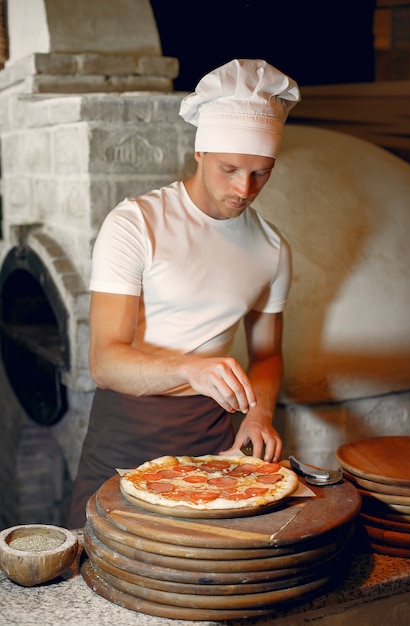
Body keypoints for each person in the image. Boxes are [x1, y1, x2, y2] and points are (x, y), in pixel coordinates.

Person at [67, 59, 300, 528]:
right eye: (229, 168)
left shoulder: (272, 249)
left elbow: (268, 355)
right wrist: (190, 368)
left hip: (214, 440)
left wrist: (258, 414)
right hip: (125, 430)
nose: (243, 189)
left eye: (261, 173)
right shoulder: (136, 223)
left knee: (200, 581)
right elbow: (105, 362)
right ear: (200, 153)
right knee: (95, 565)